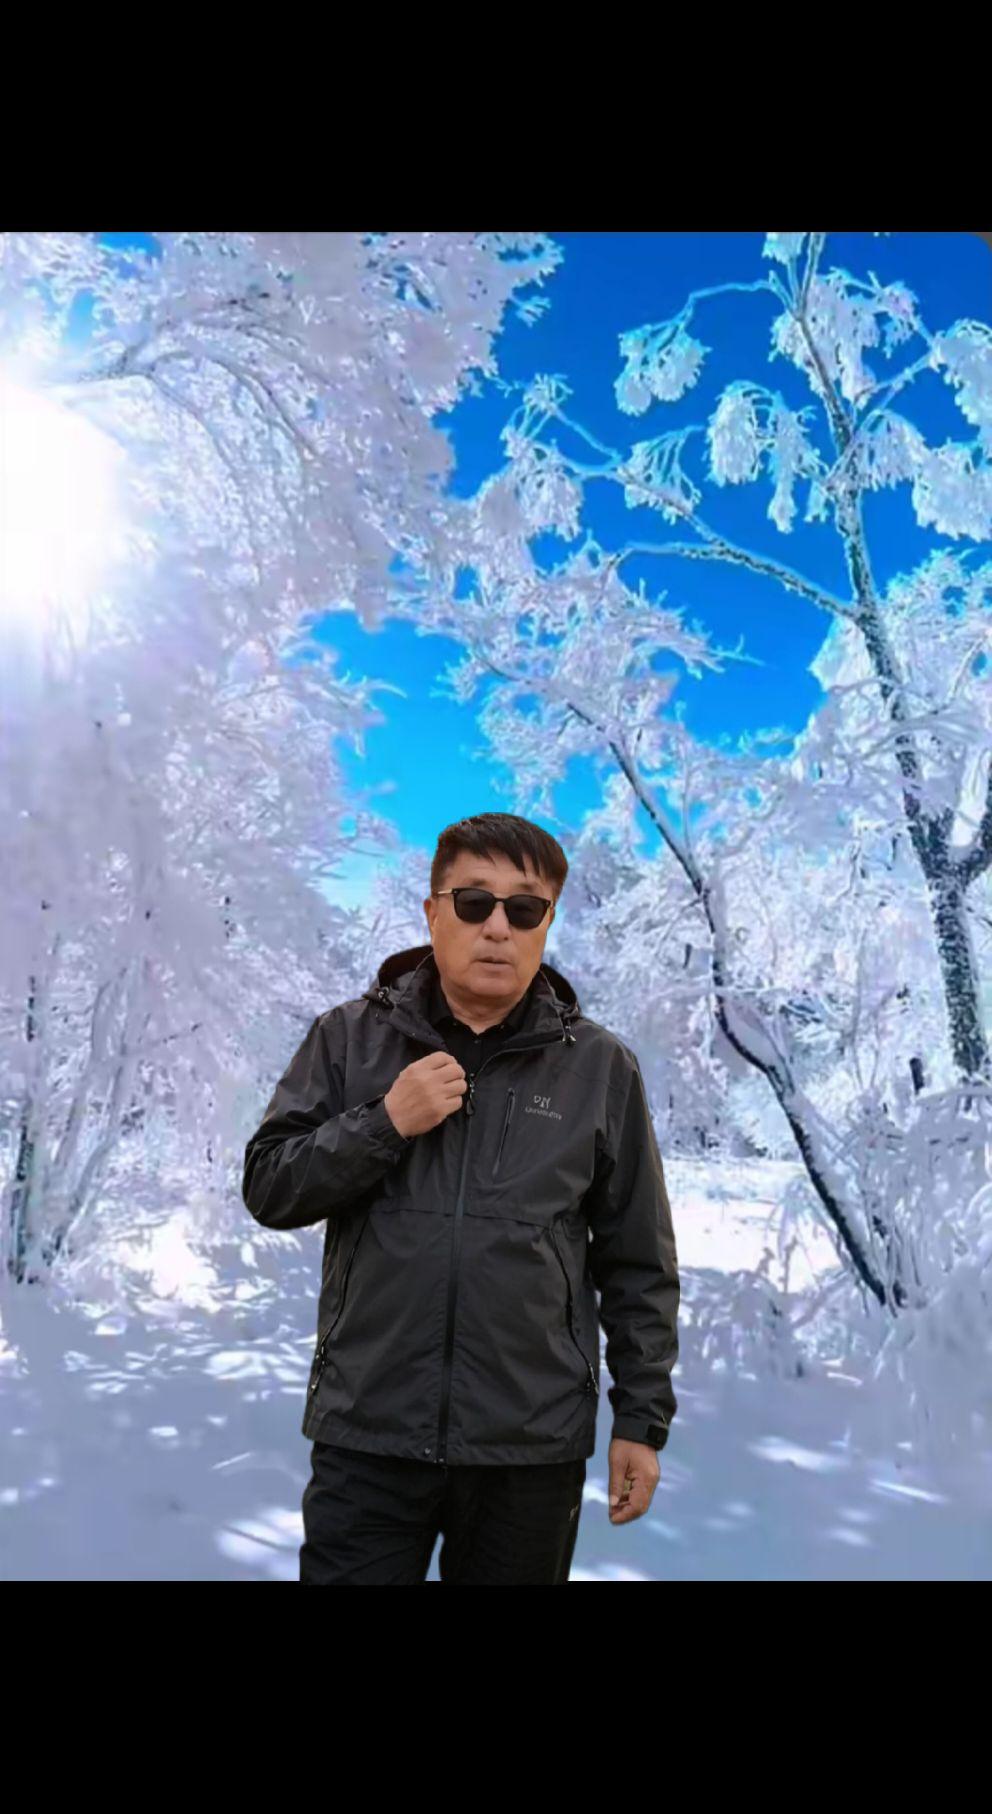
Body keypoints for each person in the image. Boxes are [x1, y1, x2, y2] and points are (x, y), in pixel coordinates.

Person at [242, 811, 680, 1583]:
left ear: (548, 922)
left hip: (529, 1449)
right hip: (369, 1433)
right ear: (433, 912)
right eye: (474, 902)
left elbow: (638, 1261)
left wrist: (641, 1421)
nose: (498, 928)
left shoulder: (600, 1068)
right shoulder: (348, 1040)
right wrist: (384, 1123)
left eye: (525, 908)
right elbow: (271, 1186)